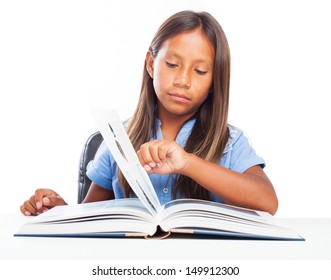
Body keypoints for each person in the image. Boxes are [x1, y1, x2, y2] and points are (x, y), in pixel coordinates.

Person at [20, 10, 278, 216]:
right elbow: (91, 216)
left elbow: (268, 201)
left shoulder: (230, 143)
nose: (183, 80)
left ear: (214, 82)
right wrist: (57, 210)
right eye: (172, 64)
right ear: (151, 64)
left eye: (200, 71)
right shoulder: (118, 140)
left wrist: (187, 163)